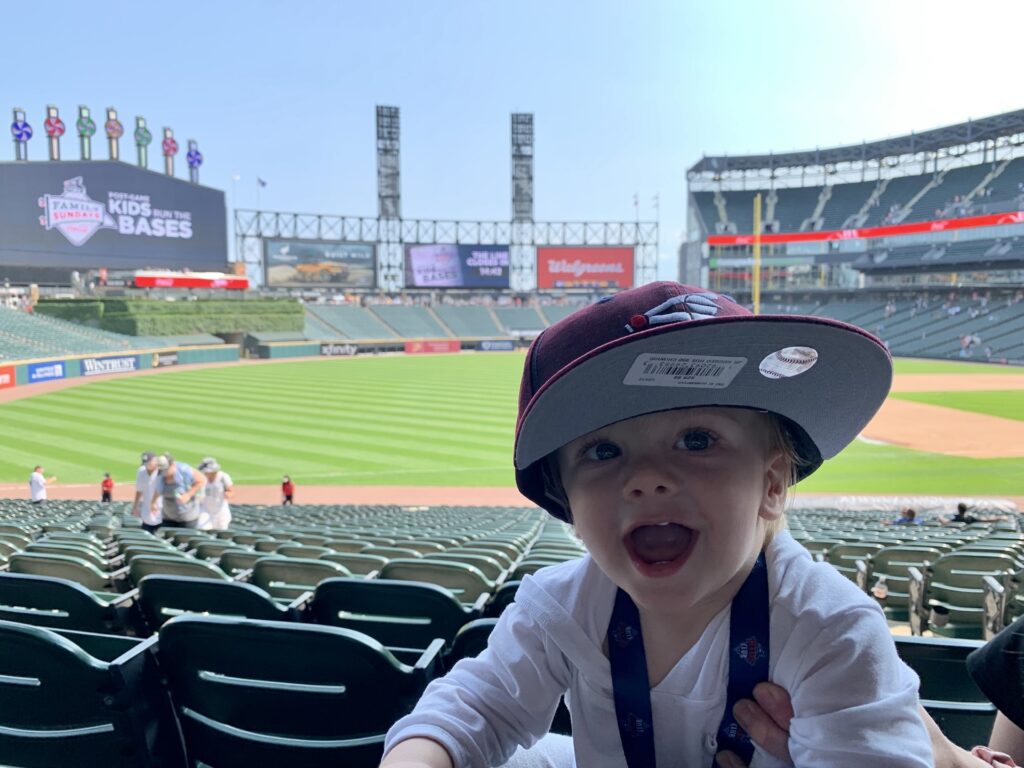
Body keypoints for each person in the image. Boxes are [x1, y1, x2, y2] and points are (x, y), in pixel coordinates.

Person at [381, 282, 931, 767]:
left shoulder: (829, 627)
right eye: (601, 450)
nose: (646, 479)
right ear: (567, 504)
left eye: (697, 440)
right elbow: (477, 706)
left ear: (771, 483)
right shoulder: (561, 606)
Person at [151, 453, 206, 529]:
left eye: (166, 470)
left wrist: (188, 495)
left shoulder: (184, 470)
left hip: (187, 516)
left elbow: (202, 480)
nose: (164, 473)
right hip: (168, 515)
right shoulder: (160, 473)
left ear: (172, 465)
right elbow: (158, 488)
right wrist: (153, 502)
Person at [196, 457, 233, 531]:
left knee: (222, 530)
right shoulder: (202, 478)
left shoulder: (223, 477)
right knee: (202, 528)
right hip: (205, 509)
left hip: (220, 509)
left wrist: (228, 494)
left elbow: (230, 491)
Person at [132, 452, 163, 533]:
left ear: (155, 460)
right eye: (145, 463)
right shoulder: (141, 471)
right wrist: (135, 506)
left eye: (149, 462)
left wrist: (154, 502)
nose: (147, 465)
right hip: (147, 512)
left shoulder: (162, 472)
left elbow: (161, 488)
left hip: (163, 512)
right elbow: (139, 490)